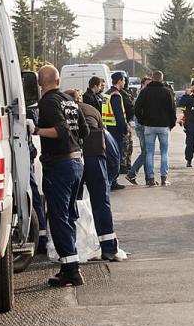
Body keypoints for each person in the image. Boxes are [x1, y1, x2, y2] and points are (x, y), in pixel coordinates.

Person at [35, 66, 89, 287]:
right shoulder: (69, 99)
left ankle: (72, 271)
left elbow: (61, 130)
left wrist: (35, 130)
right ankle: (69, 265)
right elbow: (83, 131)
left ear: (40, 82)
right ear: (58, 80)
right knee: (68, 217)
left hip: (59, 165)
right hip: (76, 162)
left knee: (58, 219)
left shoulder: (48, 102)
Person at [66, 90, 121, 262]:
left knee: (71, 203)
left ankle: (73, 247)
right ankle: (109, 248)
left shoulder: (63, 111)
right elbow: (109, 144)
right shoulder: (93, 110)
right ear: (80, 98)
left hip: (73, 156)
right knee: (101, 202)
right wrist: (110, 176)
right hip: (95, 156)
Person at [134, 71, 176, 185]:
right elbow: (173, 109)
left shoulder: (145, 92)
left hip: (149, 125)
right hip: (164, 126)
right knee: (164, 152)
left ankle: (151, 178)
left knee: (149, 153)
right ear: (162, 79)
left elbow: (137, 108)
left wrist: (142, 121)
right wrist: (171, 123)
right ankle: (163, 177)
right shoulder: (167, 92)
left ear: (152, 78)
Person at [103, 73, 129, 191]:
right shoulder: (116, 95)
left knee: (110, 155)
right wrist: (124, 129)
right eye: (123, 80)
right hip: (116, 129)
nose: (124, 83)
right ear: (119, 81)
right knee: (116, 155)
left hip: (107, 127)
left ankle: (110, 180)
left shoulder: (106, 94)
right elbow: (119, 115)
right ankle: (113, 180)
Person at [126, 75, 152, 184]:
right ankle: (132, 173)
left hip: (143, 126)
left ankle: (148, 178)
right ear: (142, 85)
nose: (149, 86)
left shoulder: (147, 94)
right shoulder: (142, 94)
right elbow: (138, 112)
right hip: (141, 127)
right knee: (146, 152)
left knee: (146, 152)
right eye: (147, 84)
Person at [117, 73, 136, 179]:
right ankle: (123, 165)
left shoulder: (125, 92)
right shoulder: (120, 94)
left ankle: (127, 164)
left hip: (126, 121)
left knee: (128, 146)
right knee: (125, 146)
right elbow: (129, 107)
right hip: (123, 122)